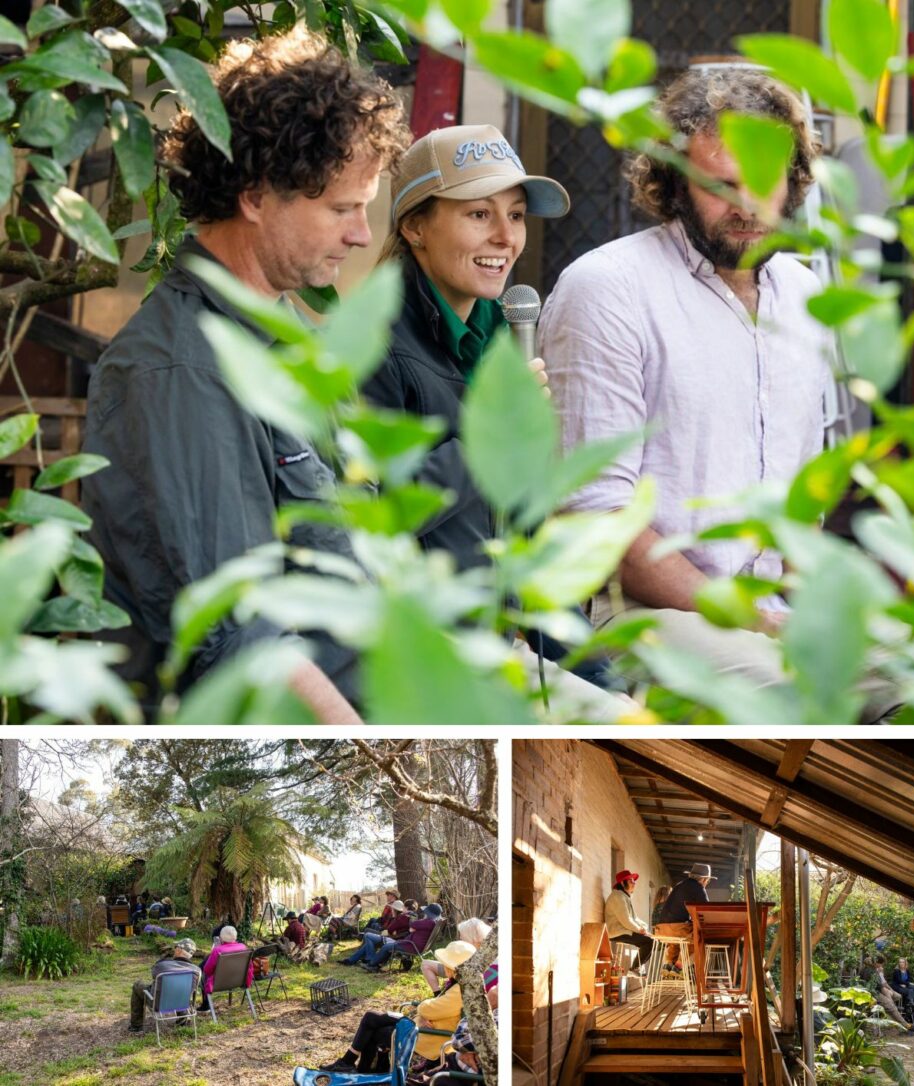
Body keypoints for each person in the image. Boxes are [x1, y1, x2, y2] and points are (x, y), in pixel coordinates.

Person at [81, 28, 412, 723]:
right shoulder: (177, 372)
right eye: (342, 208)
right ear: (258, 196)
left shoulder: (290, 341)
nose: (360, 234)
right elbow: (243, 640)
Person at [542, 67, 861, 708]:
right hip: (646, 615)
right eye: (719, 183)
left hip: (777, 613)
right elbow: (600, 523)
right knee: (816, 704)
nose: (746, 207)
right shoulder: (608, 289)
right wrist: (759, 623)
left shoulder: (806, 297)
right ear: (672, 182)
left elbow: (806, 501)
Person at [366, 123, 625, 717]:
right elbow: (374, 515)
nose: (506, 238)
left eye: (515, 215)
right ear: (414, 226)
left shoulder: (505, 332)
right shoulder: (374, 345)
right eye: (479, 215)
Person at [321, 940, 476, 1074]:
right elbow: (432, 1009)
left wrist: (423, 1011)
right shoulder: (459, 984)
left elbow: (428, 1008)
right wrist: (424, 1013)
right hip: (422, 1026)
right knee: (371, 1019)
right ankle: (356, 1066)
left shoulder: (460, 991)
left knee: (375, 1028)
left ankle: (357, 1067)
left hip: (429, 1034)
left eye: (446, 963)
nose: (443, 966)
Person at [128, 937, 202, 1033]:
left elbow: (153, 974)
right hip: (183, 1004)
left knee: (137, 985)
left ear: (179, 950)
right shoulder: (197, 971)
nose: (174, 949)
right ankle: (183, 1021)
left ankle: (136, 1026)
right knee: (182, 990)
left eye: (176, 947)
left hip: (159, 1004)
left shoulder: (163, 966)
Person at [653, 863, 713, 969]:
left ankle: (669, 965)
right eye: (708, 881)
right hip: (675, 929)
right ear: (704, 879)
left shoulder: (679, 885)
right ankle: (678, 967)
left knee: (677, 940)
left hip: (660, 930)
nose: (707, 883)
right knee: (699, 935)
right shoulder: (699, 888)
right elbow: (706, 912)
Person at [363, 901, 442, 971]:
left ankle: (371, 964)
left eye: (426, 912)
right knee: (389, 946)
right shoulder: (433, 922)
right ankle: (377, 964)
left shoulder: (428, 922)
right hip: (415, 945)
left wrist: (417, 925)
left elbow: (412, 925)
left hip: (411, 946)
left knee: (386, 946)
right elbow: (411, 929)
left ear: (428, 913)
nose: (424, 913)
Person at [424, 916, 491, 994]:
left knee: (426, 965)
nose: (460, 938)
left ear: (474, 938)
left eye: (462, 937)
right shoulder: (484, 950)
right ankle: (438, 995)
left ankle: (438, 995)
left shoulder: (478, 956)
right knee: (425, 964)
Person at [605, 870, 653, 970]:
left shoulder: (624, 896)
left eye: (634, 881)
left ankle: (636, 968)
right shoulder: (618, 897)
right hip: (617, 931)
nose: (634, 883)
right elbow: (626, 920)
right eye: (631, 881)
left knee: (652, 941)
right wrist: (640, 930)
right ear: (622, 883)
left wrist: (644, 927)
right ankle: (635, 968)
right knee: (649, 942)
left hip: (624, 930)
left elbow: (634, 918)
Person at [343, 899, 415, 965]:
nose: (391, 910)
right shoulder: (410, 917)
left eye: (392, 909)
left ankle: (369, 958)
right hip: (392, 937)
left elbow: (389, 930)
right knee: (369, 940)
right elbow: (391, 930)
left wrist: (382, 933)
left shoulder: (402, 917)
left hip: (391, 939)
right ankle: (351, 960)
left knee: (368, 935)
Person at [199, 926, 253, 1010]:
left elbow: (207, 970)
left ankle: (206, 1005)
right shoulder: (243, 947)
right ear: (235, 936)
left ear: (221, 937)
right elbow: (249, 966)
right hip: (239, 981)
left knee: (202, 975)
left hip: (218, 984)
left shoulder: (217, 950)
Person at [869, 958, 914, 1032]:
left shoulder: (876, 971)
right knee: (891, 1004)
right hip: (877, 992)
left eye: (903, 962)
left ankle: (909, 1002)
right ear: (876, 963)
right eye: (881, 964)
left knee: (910, 989)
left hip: (881, 989)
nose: (882, 966)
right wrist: (886, 989)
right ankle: (904, 1024)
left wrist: (890, 989)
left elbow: (883, 983)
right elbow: (879, 985)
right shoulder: (872, 971)